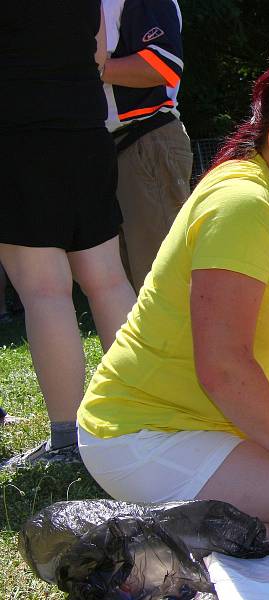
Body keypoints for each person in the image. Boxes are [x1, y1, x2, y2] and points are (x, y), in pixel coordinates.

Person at [78, 41, 269, 544]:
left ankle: (216, 526)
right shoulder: (242, 206)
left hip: (221, 415)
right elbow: (223, 368)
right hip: (142, 432)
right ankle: (138, 538)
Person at [0, 2, 137, 466]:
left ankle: (65, 443)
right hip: (86, 131)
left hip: (19, 135)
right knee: (109, 281)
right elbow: (99, 54)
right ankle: (138, 422)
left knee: (44, 292)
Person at [101, 0, 194, 291]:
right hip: (107, 150)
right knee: (127, 292)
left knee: (166, 286)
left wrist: (82, 71)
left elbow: (163, 65)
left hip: (146, 143)